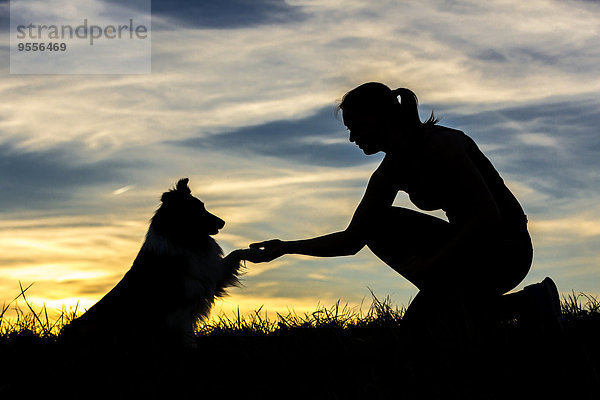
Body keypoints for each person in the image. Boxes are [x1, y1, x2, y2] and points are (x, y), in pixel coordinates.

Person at [245, 82, 561, 341]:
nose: (352, 137)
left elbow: (488, 217)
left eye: (357, 126)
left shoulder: (443, 144)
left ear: (382, 117)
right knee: (416, 331)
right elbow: (352, 239)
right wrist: (286, 248)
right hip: (463, 254)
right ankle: (526, 304)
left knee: (424, 324)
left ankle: (473, 307)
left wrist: (432, 263)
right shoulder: (389, 171)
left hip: (505, 251)